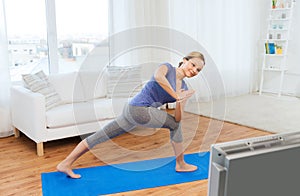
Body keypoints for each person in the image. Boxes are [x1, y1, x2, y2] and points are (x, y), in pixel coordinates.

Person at [57, 51, 205, 178]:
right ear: (184, 60)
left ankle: (65, 163)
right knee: (174, 125)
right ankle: (181, 164)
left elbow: (178, 118)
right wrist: (176, 95)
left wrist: (180, 101)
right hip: (138, 109)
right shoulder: (166, 67)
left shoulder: (184, 88)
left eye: (198, 70)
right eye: (193, 65)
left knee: (101, 135)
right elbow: (159, 78)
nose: (194, 70)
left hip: (134, 112)